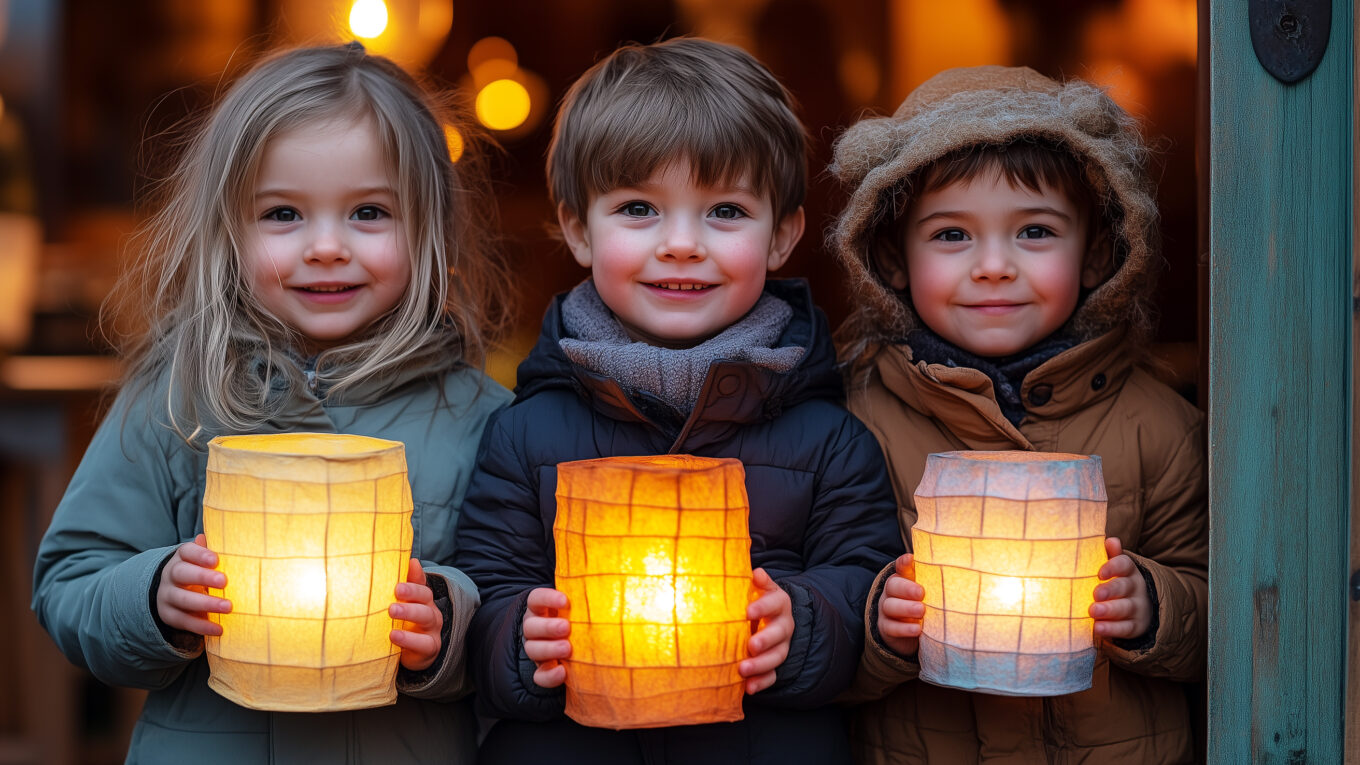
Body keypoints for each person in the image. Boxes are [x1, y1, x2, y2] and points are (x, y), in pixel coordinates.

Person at [30, 42, 512, 764]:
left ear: (431, 232)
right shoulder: (179, 395)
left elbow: (523, 622)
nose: (325, 247)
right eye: (283, 213)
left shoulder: (483, 419)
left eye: (370, 213)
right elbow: (69, 580)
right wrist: (154, 595)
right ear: (229, 230)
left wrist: (447, 627)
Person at [452, 37, 903, 764]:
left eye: (725, 211)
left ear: (783, 235)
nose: (683, 244)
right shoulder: (524, 433)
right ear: (577, 229)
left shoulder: (829, 437)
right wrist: (515, 635)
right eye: (639, 209)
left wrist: (808, 622)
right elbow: (484, 587)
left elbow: (867, 580)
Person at [827, 65, 1207, 763]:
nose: (994, 265)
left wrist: (1156, 604)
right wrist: (879, 626)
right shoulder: (855, 425)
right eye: (951, 236)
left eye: (1034, 231)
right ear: (893, 256)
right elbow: (815, 628)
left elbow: (1238, 614)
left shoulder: (1159, 426)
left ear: (1096, 254)